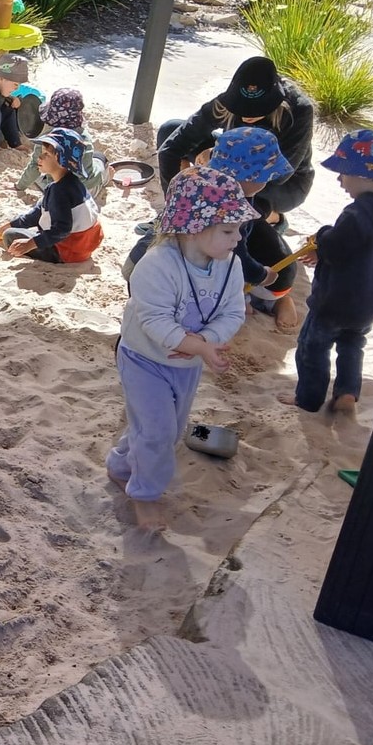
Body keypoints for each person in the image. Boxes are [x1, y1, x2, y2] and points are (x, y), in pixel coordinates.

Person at [106, 166, 254, 531]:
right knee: (156, 432)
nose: (237, 239)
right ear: (193, 228)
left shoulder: (229, 265)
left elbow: (234, 311)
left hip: (186, 365)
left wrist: (207, 342)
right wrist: (197, 346)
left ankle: (121, 463)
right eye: (228, 230)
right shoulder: (156, 265)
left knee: (168, 431)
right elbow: (155, 321)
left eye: (238, 229)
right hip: (144, 360)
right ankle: (144, 496)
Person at [281, 129, 373, 414]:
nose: (340, 180)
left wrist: (321, 238)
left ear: (364, 176)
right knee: (352, 344)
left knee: (313, 347)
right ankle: (347, 393)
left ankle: (308, 399)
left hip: (337, 301)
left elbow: (335, 247)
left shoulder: (357, 214)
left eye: (344, 173)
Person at [156, 56, 314, 226]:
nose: (247, 115)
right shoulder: (226, 102)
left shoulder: (299, 109)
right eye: (241, 108)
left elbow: (280, 174)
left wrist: (215, 154)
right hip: (230, 163)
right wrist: (176, 207)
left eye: (257, 110)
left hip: (281, 184)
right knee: (170, 129)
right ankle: (184, 204)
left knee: (232, 211)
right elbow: (171, 148)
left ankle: (275, 219)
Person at [205, 127, 301, 330]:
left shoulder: (238, 210)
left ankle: (276, 302)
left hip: (273, 275)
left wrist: (259, 276)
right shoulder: (245, 197)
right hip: (263, 263)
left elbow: (237, 259)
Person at [0, 128, 103, 264]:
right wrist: (9, 224)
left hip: (67, 251)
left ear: (61, 160)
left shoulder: (60, 191)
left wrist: (29, 244)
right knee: (13, 229)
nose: (40, 158)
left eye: (46, 155)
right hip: (84, 246)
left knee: (10, 236)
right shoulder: (72, 182)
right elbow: (38, 211)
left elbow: (62, 229)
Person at [15, 87, 108, 197]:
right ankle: (107, 177)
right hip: (86, 192)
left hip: (57, 191)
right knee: (100, 158)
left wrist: (19, 186)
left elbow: (34, 166)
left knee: (39, 175)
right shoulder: (84, 137)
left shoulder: (48, 138)